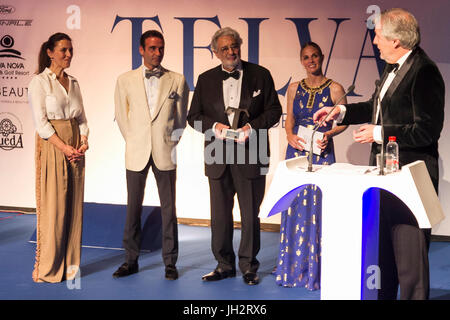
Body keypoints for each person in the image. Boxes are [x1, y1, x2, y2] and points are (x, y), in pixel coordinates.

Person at [313, 8, 445, 299]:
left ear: (396, 40)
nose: (374, 41)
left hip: (411, 180)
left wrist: (380, 133)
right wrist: (341, 111)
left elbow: (427, 130)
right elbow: (376, 107)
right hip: (384, 176)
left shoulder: (425, 72)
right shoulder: (390, 66)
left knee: (410, 262)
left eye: (378, 35)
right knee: (382, 255)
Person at [187, 27, 282, 285]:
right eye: (225, 48)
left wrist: (252, 128)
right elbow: (192, 118)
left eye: (234, 46)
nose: (231, 52)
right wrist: (214, 127)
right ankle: (224, 265)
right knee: (219, 216)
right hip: (217, 156)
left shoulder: (260, 75)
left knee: (250, 215)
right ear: (215, 52)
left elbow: (274, 111)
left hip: (252, 154)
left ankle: (249, 267)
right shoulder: (205, 79)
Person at [113, 30, 189, 280]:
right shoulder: (124, 79)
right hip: (136, 151)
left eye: (161, 48)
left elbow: (180, 118)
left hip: (165, 151)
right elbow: (123, 118)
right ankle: (130, 260)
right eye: (152, 48)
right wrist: (135, 139)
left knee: (169, 209)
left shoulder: (177, 79)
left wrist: (168, 141)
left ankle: (170, 262)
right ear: (141, 50)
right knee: (133, 207)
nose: (157, 53)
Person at [275, 42, 348, 290]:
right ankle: (294, 265)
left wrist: (330, 134)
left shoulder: (336, 88)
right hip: (296, 150)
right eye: (306, 57)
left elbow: (344, 121)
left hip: (322, 151)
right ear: (301, 61)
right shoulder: (294, 88)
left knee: (319, 206)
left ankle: (318, 266)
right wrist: (289, 136)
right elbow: (290, 120)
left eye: (314, 56)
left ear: (322, 57)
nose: (311, 60)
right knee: (294, 204)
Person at [28, 32, 89, 283]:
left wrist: (84, 141)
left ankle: (70, 267)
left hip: (75, 144)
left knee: (74, 208)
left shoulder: (73, 82)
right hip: (53, 144)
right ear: (50, 52)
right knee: (54, 207)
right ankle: (49, 269)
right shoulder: (39, 82)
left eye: (70, 50)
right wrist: (63, 147)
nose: (68, 55)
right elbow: (41, 124)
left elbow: (82, 117)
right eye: (63, 50)